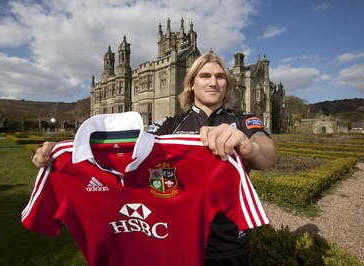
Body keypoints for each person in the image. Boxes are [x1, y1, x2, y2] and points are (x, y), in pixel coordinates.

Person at [32, 52, 277, 265]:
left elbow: (267, 154)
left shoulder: (243, 120)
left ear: (228, 85)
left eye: (220, 76)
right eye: (205, 76)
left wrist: (248, 146)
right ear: (191, 84)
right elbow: (121, 145)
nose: (213, 82)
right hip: (177, 238)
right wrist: (64, 150)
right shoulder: (169, 125)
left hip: (229, 241)